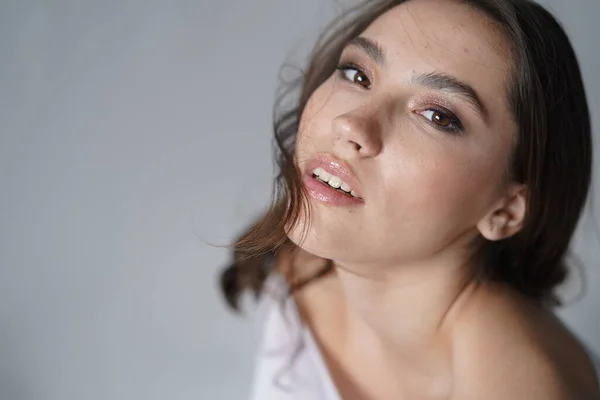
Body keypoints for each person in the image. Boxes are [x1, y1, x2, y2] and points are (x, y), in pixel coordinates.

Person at [220, 0, 600, 398]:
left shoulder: (518, 384)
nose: (352, 123)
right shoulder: (298, 266)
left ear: (504, 210)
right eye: (357, 74)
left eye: (437, 116)